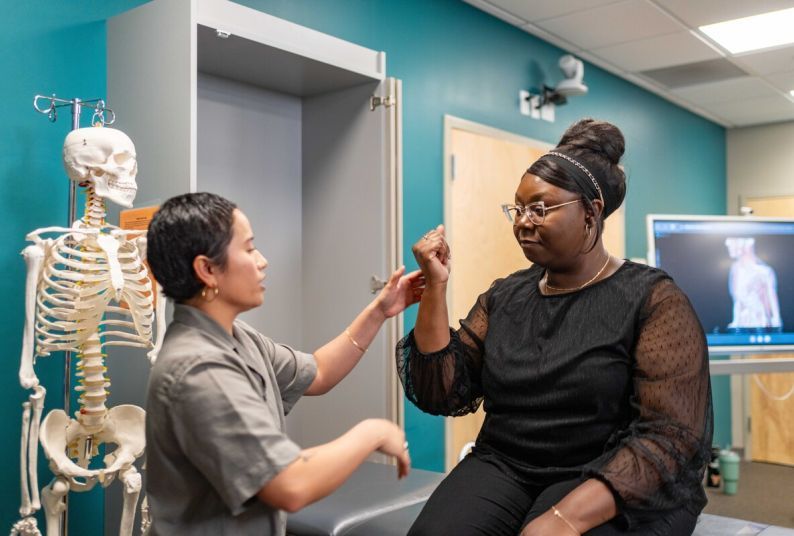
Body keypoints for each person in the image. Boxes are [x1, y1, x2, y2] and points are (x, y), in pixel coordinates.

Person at [398, 119, 713, 536]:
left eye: (540, 209)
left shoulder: (653, 300)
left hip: (612, 469)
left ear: (591, 212)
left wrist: (563, 518)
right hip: (506, 463)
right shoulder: (506, 297)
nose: (523, 222)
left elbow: (669, 436)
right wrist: (435, 287)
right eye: (519, 208)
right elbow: (441, 389)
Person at [144, 192, 424, 535]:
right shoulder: (198, 370)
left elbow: (319, 371)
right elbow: (290, 485)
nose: (262, 261)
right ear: (207, 269)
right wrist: (374, 432)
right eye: (248, 249)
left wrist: (380, 311)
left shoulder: (236, 337)